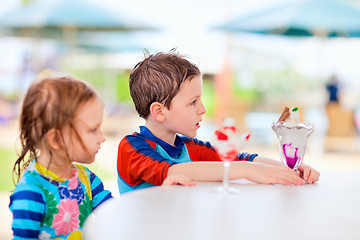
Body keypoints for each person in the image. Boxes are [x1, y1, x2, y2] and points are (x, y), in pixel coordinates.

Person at [117, 51, 320, 194]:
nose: (203, 109)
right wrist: (249, 171)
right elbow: (171, 171)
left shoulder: (188, 147)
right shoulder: (132, 148)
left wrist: (290, 168)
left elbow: (238, 158)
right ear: (159, 111)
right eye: (193, 102)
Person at [9, 76, 113, 240]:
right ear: (57, 139)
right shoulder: (31, 192)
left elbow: (113, 212)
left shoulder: (87, 179)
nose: (102, 138)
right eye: (93, 130)